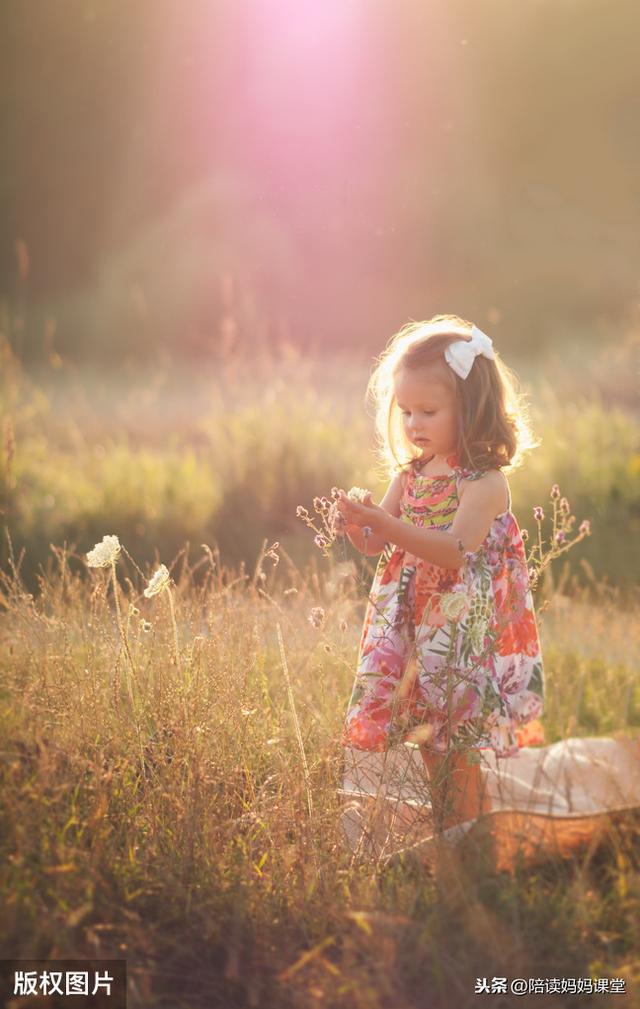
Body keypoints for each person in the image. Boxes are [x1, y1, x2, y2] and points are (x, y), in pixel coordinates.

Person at [335, 314, 545, 837]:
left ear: (470, 408)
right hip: (411, 621)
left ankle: (472, 834)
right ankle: (442, 828)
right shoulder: (409, 475)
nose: (413, 424)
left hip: (460, 628)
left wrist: (387, 523)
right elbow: (376, 545)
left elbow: (454, 550)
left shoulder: (485, 483)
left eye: (428, 410)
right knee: (423, 728)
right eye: (405, 411)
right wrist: (359, 525)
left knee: (458, 731)